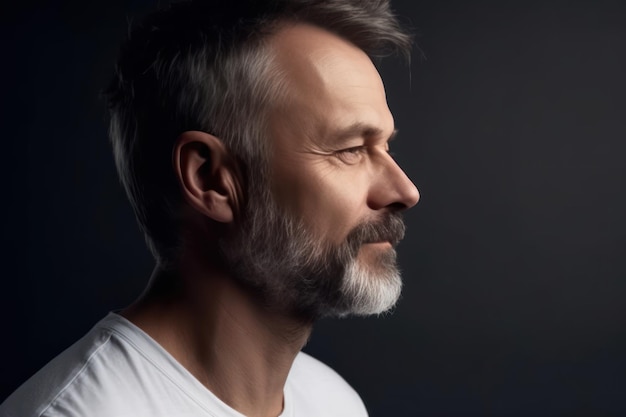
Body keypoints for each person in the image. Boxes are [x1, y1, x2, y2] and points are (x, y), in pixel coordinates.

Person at [1, 0, 419, 416]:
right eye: (350, 150)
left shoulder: (334, 402)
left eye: (386, 146)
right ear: (210, 179)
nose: (405, 190)